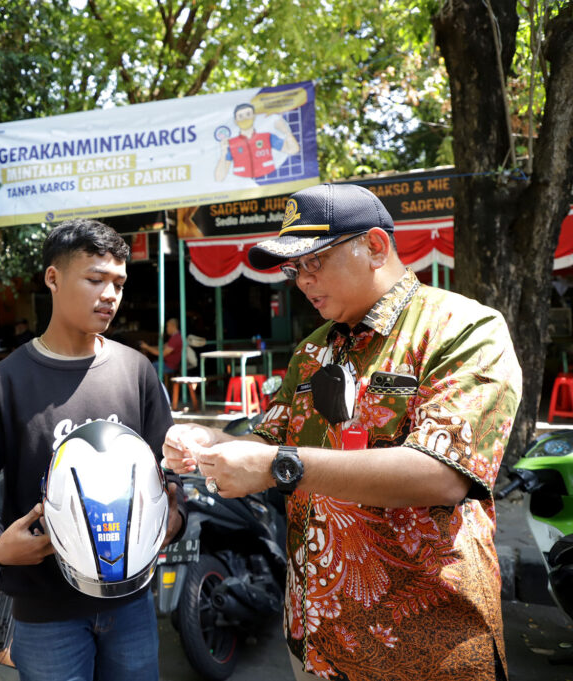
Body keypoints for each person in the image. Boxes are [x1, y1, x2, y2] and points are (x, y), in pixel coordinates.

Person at [162, 183, 521, 681]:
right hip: (313, 641)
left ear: (375, 246)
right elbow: (273, 436)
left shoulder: (463, 329)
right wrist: (212, 441)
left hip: (421, 648)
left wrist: (277, 466)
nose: (303, 281)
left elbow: (439, 474)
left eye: (316, 261)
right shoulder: (313, 351)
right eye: (295, 269)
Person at [0, 218, 187, 681]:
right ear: (53, 278)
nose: (110, 295)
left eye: (118, 283)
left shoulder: (136, 371)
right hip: (44, 608)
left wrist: (174, 512)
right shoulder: (4, 383)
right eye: (95, 279)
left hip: (132, 602)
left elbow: (167, 466)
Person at [214, 102, 300, 181]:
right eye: (240, 116)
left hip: (270, 185)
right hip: (244, 190)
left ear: (254, 116)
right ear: (235, 121)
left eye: (248, 114)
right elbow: (219, 178)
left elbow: (293, 150)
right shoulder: (231, 145)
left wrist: (286, 132)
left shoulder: (267, 137)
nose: (245, 118)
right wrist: (223, 154)